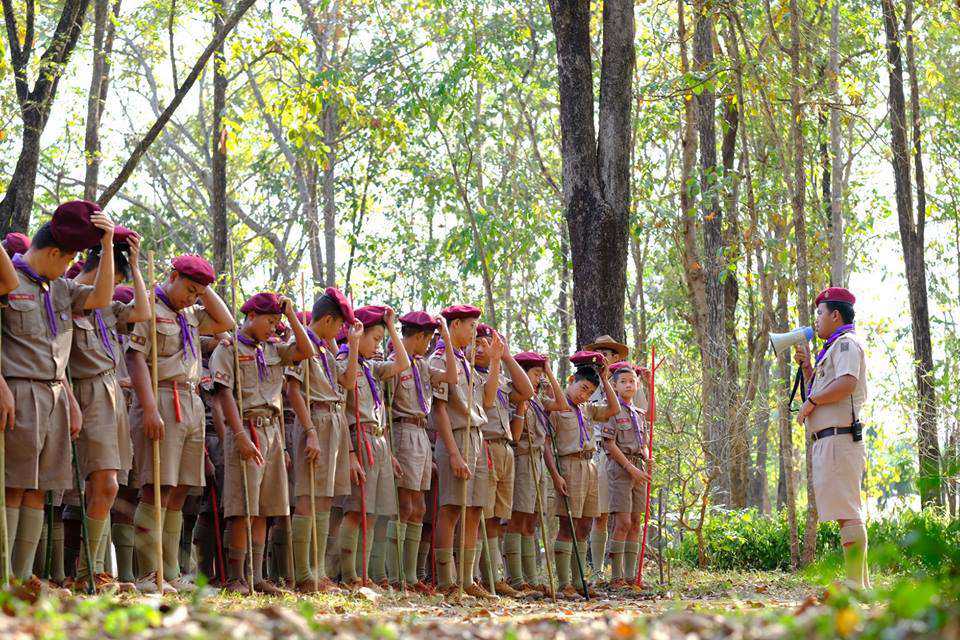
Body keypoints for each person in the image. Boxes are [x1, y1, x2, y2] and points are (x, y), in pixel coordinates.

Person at [0, 201, 116, 586]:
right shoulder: (9, 281)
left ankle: (24, 577)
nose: (70, 268)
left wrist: (108, 244)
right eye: (68, 260)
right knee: (14, 485)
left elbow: (101, 298)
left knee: (40, 489)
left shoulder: (61, 288)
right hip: (19, 390)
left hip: (53, 395)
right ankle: (5, 579)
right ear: (54, 253)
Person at [126, 254, 235, 593]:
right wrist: (149, 408)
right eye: (189, 289)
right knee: (156, 486)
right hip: (160, 397)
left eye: (197, 293)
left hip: (190, 401)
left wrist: (204, 288)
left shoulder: (190, 314)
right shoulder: (148, 306)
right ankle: (148, 572)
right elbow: (135, 357)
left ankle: (169, 571)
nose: (192, 298)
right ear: (172, 276)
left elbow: (227, 321)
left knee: (180, 488)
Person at [209, 292, 312, 593]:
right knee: (243, 507)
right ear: (251, 316)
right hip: (247, 428)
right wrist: (239, 436)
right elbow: (224, 393)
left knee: (266, 507)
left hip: (272, 431)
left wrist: (290, 316)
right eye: (269, 321)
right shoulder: (228, 348)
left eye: (277, 322)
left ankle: (255, 576)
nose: (273, 327)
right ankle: (236, 577)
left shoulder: (274, 349)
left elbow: (306, 350)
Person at [66, 225, 149, 591]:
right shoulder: (70, 295)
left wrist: (137, 265)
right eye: (115, 277)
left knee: (107, 486)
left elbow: (142, 312)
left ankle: (94, 570)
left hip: (111, 391)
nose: (115, 286)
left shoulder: (107, 307)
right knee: (105, 483)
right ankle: (87, 571)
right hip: (87, 392)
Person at [285, 290, 364, 593]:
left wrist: (353, 345)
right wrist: (310, 431)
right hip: (315, 420)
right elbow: (293, 390)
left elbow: (348, 382)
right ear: (329, 320)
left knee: (324, 499)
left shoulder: (325, 350)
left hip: (333, 421)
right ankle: (303, 574)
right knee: (308, 496)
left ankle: (316, 571)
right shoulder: (302, 344)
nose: (341, 330)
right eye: (340, 325)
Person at [795, 286, 870, 590]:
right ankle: (860, 584)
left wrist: (811, 402)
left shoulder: (846, 344)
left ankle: (854, 583)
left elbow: (847, 383)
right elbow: (824, 389)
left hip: (840, 439)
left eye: (820, 313)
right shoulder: (832, 349)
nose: (816, 319)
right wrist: (808, 368)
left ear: (835, 315)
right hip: (830, 441)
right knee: (845, 511)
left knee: (847, 512)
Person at [429, 305, 502, 598]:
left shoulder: (465, 362)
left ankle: (467, 579)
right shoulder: (440, 359)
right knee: (451, 508)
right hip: (456, 438)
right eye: (471, 326)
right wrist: (454, 454)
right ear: (455, 324)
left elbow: (487, 400)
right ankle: (446, 580)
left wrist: (495, 360)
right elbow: (440, 409)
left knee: (473, 510)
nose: (474, 333)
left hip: (476, 437)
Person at [334, 305, 409, 588]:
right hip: (359, 438)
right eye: (375, 339)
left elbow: (403, 363)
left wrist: (390, 328)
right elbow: (342, 410)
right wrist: (351, 454)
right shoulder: (345, 362)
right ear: (359, 333)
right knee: (356, 510)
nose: (378, 346)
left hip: (379, 441)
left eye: (381, 340)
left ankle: (363, 575)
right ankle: (348, 576)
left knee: (373, 513)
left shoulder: (372, 367)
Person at [382, 311, 456, 592]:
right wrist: (390, 449)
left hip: (422, 434)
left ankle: (411, 576)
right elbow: (384, 409)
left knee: (420, 507)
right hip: (403, 431)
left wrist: (446, 338)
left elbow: (451, 377)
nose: (429, 345)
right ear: (420, 337)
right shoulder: (394, 363)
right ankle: (396, 575)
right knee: (405, 505)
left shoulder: (423, 365)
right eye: (428, 339)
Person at [549, 351, 619, 599]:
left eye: (590, 392)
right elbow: (546, 444)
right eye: (583, 388)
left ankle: (579, 582)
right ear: (571, 381)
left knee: (586, 524)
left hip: (589, 466)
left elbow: (613, 408)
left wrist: (605, 380)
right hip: (569, 466)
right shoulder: (556, 407)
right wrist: (556, 475)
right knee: (567, 524)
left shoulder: (587, 409)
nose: (584, 395)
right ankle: (564, 583)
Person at [472, 323, 533, 597]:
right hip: (483, 446)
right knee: (479, 514)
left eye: (486, 343)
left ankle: (493, 578)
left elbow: (527, 391)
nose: (481, 349)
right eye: (476, 343)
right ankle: (473, 577)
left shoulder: (502, 380)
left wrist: (505, 356)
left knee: (497, 517)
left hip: (505, 448)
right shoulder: (470, 374)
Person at [503, 351, 566, 595]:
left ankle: (530, 578)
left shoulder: (538, 400)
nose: (539, 379)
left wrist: (548, 371)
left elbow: (561, 404)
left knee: (532, 518)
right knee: (518, 516)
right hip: (522, 457)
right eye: (536, 373)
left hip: (538, 459)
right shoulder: (513, 395)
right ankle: (516, 578)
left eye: (540, 374)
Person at [600, 362, 651, 589]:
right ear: (615, 385)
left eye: (632, 381)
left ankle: (632, 578)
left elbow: (643, 442)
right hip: (621, 469)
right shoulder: (612, 410)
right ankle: (616, 577)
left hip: (639, 468)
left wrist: (646, 457)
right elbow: (609, 443)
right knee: (622, 521)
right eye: (623, 382)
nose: (628, 385)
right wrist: (631, 468)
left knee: (636, 521)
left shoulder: (638, 414)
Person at [582, 334, 629, 583]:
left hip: (622, 456)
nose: (603, 358)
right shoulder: (586, 383)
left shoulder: (626, 382)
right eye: (598, 354)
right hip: (598, 451)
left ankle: (621, 573)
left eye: (608, 354)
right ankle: (597, 571)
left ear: (616, 357)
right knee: (599, 514)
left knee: (623, 516)